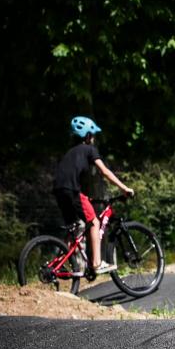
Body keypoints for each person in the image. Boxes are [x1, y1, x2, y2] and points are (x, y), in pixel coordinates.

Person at [52, 116, 134, 275]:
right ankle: (97, 263)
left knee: (73, 227)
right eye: (93, 135)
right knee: (94, 222)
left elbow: (69, 176)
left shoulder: (71, 152)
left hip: (59, 190)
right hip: (71, 190)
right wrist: (124, 188)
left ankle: (59, 261)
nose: (94, 138)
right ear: (88, 136)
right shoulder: (89, 149)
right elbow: (104, 171)